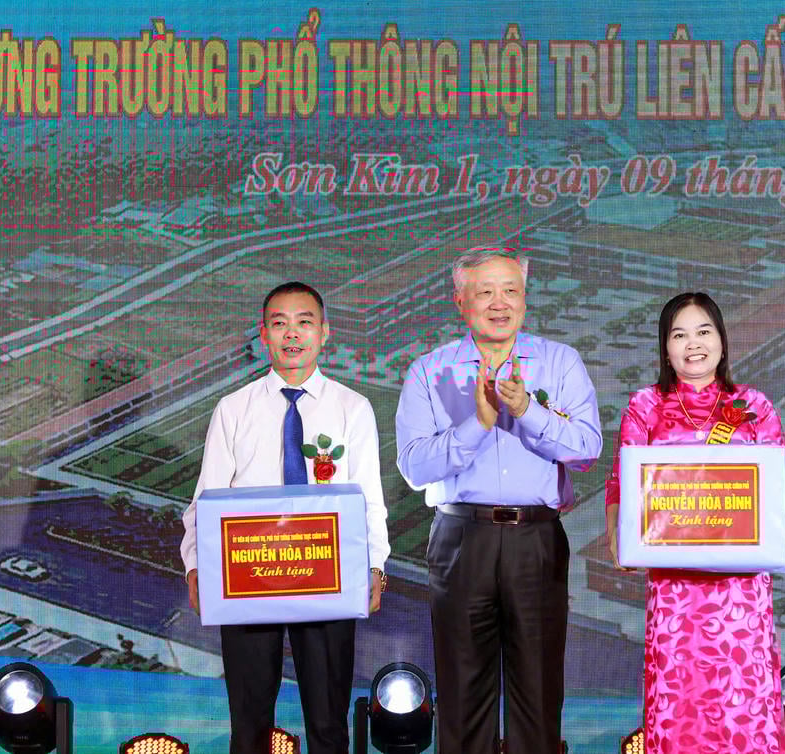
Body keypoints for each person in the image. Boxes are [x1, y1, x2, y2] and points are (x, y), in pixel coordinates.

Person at [395, 248, 602, 754]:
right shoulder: (429, 371)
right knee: (463, 690)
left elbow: (586, 451)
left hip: (536, 537)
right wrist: (479, 423)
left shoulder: (559, 362)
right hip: (461, 538)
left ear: (525, 298)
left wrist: (528, 410)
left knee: (538, 688)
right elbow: (414, 467)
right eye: (485, 292)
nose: (499, 303)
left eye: (511, 290)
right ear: (460, 301)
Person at [179, 281, 390, 754]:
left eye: (304, 322)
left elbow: (370, 501)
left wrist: (375, 566)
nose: (292, 334)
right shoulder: (233, 409)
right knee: (249, 725)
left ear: (325, 332)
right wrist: (195, 566)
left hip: (328, 579)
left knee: (329, 724)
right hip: (248, 581)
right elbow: (204, 500)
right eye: (279, 324)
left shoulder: (352, 408)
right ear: (264, 334)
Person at [604, 292, 785, 754]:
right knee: (680, 697)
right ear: (665, 348)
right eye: (679, 335)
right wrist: (618, 536)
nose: (693, 344)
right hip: (675, 589)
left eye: (703, 331)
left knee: (741, 697)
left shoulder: (753, 405)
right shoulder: (646, 406)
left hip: (741, 589)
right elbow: (621, 481)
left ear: (721, 340)